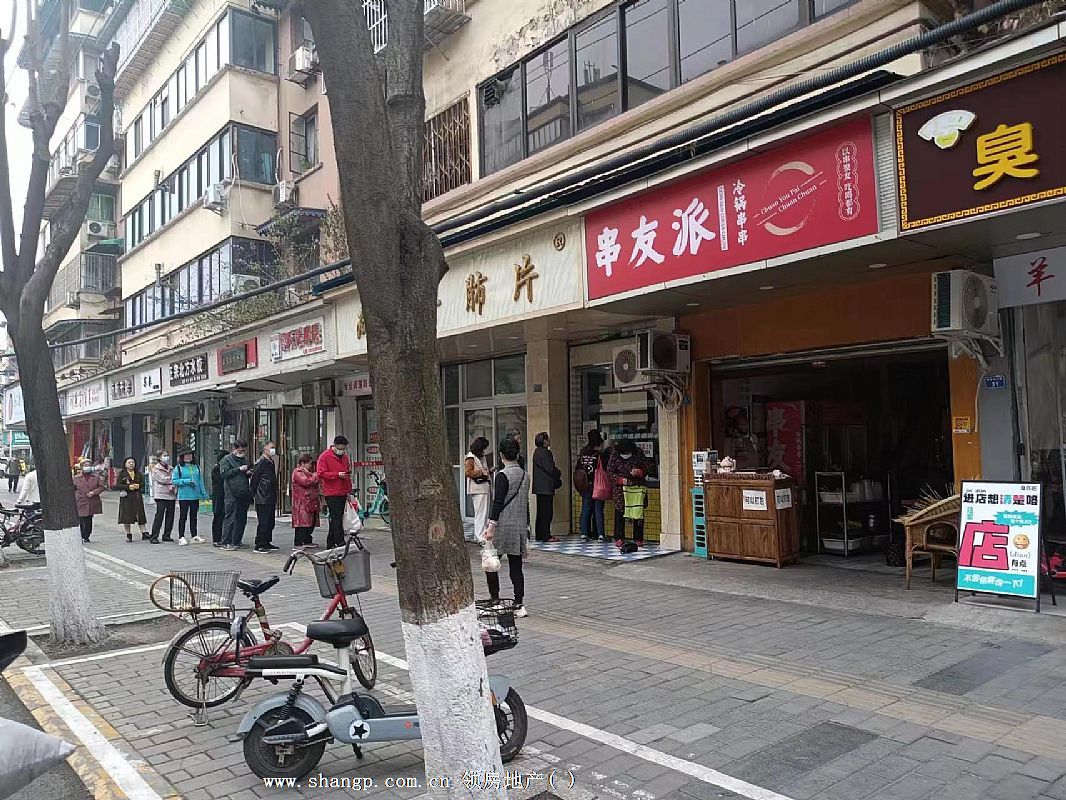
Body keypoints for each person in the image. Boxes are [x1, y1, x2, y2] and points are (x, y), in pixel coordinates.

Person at [484, 437, 529, 618]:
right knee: (516, 566)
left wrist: (490, 527)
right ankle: (519, 602)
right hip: (519, 526)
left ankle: (495, 599)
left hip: (502, 525)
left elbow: (497, 503)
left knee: (490, 562)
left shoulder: (502, 476)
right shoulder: (525, 475)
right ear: (517, 454)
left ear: (501, 455)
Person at [607, 439, 650, 549]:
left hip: (637, 488)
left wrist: (639, 472)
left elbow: (647, 467)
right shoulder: (615, 454)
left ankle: (638, 538)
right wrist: (621, 480)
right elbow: (610, 473)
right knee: (619, 512)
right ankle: (619, 538)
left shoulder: (638, 453)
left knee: (638, 512)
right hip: (620, 490)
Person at [316, 435, 353, 549]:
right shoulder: (325, 457)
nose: (342, 451)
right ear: (335, 445)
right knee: (336, 518)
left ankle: (330, 542)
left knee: (337, 517)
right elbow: (321, 473)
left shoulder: (345, 457)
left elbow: (347, 474)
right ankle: (340, 541)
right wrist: (336, 475)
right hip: (331, 492)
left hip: (342, 491)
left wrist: (348, 491)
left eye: (344, 449)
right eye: (340, 448)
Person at [219, 440, 252, 551]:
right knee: (230, 517)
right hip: (231, 493)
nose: (242, 452)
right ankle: (225, 542)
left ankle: (237, 541)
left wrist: (248, 473)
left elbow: (245, 473)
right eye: (240, 450)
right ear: (235, 448)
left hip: (243, 491)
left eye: (244, 450)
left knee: (242, 518)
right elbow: (224, 474)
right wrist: (239, 469)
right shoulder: (226, 459)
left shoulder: (244, 459)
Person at [173, 448, 207, 547]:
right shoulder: (178, 468)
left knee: (194, 517)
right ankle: (181, 536)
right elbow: (174, 480)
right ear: (182, 457)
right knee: (183, 517)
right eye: (186, 455)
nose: (188, 456)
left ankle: (194, 535)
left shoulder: (197, 467)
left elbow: (200, 481)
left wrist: (204, 493)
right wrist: (186, 481)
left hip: (195, 496)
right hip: (184, 496)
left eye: (190, 454)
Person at [250, 442, 280, 553]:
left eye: (274, 448)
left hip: (270, 495)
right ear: (265, 449)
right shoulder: (261, 462)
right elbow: (254, 479)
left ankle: (267, 542)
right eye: (271, 448)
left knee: (270, 521)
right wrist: (254, 493)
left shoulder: (270, 461)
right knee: (264, 521)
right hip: (262, 496)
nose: (273, 450)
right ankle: (260, 544)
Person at [531, 432, 561, 543]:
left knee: (540, 512)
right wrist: (558, 473)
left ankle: (539, 534)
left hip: (539, 487)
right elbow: (550, 469)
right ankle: (546, 535)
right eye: (547, 439)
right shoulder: (546, 453)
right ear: (544, 441)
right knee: (547, 512)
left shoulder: (536, 452)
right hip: (546, 486)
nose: (549, 441)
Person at [575, 430, 605, 541]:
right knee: (598, 509)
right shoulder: (599, 454)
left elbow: (578, 468)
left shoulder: (583, 453)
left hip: (585, 484)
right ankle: (600, 534)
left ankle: (584, 533)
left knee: (586, 508)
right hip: (598, 484)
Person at [464, 437, 492, 543]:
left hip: (484, 486)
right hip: (478, 487)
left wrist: (488, 471)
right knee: (480, 513)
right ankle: (480, 536)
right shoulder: (470, 457)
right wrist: (482, 472)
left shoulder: (481, 456)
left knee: (484, 514)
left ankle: (481, 535)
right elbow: (468, 472)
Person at [290, 453, 321, 549]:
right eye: (309, 463)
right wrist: (315, 476)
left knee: (310, 522)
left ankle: (307, 540)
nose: (310, 466)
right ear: (302, 463)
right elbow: (306, 482)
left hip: (310, 501)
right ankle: (298, 543)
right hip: (301, 502)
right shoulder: (298, 472)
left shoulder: (308, 472)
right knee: (301, 523)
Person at [117, 457, 149, 542]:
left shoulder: (138, 473)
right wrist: (128, 487)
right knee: (126, 516)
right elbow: (118, 485)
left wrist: (138, 486)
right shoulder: (122, 474)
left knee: (140, 514)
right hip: (126, 497)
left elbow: (143, 484)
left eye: (133, 462)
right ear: (125, 464)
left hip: (137, 496)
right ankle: (128, 534)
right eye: (129, 462)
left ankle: (144, 532)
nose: (131, 464)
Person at [149, 450, 176, 544]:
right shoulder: (156, 468)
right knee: (159, 516)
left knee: (170, 516)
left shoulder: (171, 468)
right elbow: (162, 479)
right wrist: (172, 479)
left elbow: (174, 479)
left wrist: (173, 480)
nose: (166, 457)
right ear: (159, 457)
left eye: (167, 455)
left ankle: (167, 535)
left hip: (171, 494)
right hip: (161, 495)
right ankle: (154, 536)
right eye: (164, 455)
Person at [73, 462, 104, 543]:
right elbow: (73, 488)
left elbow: (101, 487)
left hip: (92, 500)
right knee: (81, 519)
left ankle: (86, 536)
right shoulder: (76, 478)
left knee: (88, 519)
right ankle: (81, 535)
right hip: (81, 500)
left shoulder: (96, 477)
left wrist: (94, 492)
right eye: (85, 465)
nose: (87, 467)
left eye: (89, 465)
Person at [210, 450, 227, 547]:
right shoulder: (217, 469)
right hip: (218, 497)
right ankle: (216, 539)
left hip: (224, 496)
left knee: (224, 517)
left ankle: (223, 538)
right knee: (218, 517)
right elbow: (219, 481)